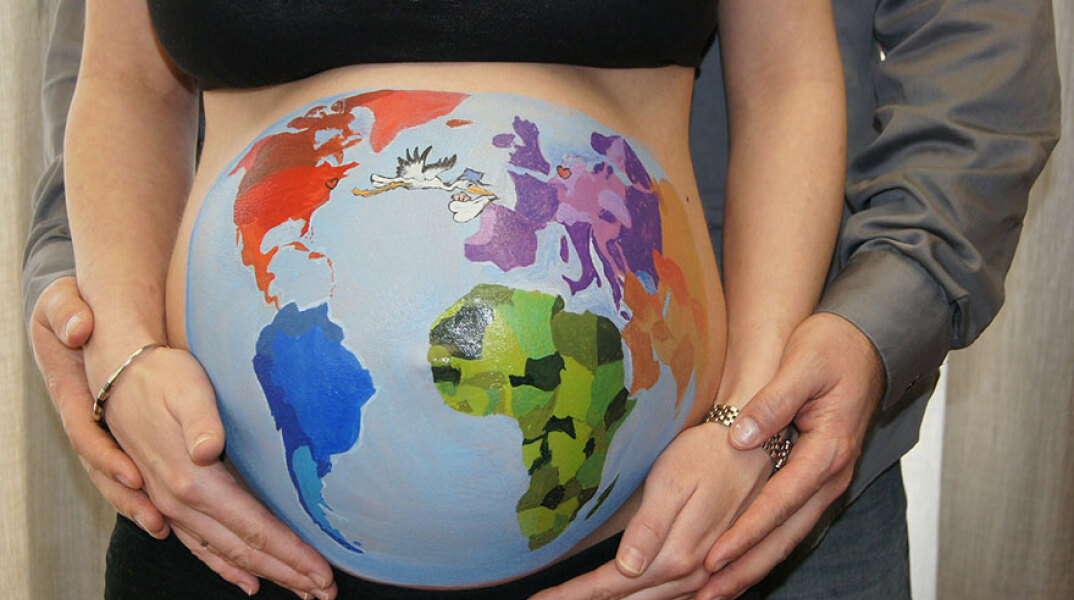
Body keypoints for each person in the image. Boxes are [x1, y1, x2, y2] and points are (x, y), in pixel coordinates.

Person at [23, 1, 1061, 600]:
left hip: (651, 538)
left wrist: (743, 425)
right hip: (226, 522)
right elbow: (119, 86)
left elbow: (789, 80)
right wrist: (123, 353)